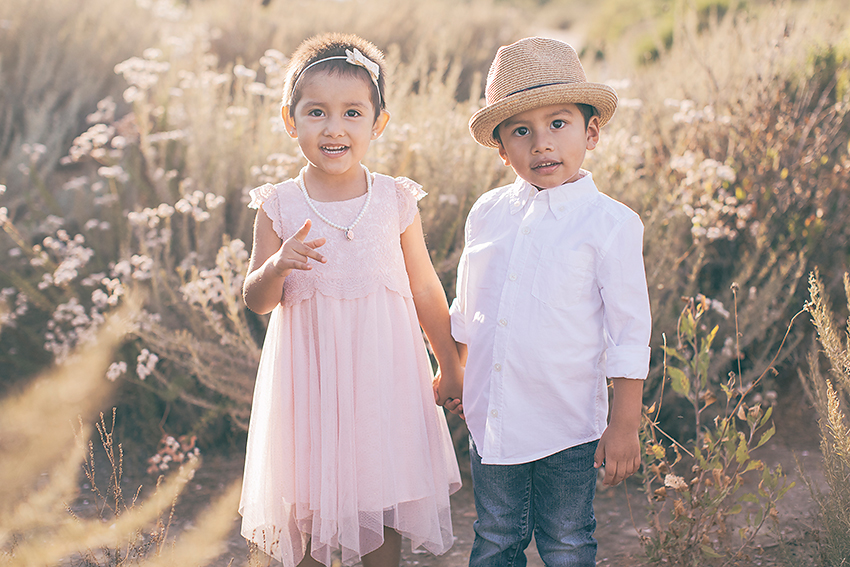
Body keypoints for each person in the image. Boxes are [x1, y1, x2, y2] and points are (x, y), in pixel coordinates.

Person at [239, 33, 463, 567]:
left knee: (379, 500)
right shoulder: (279, 205)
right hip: (308, 388)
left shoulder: (394, 200)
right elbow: (256, 300)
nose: (334, 127)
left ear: (377, 123)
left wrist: (450, 362)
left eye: (352, 113)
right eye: (316, 112)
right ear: (290, 120)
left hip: (382, 384)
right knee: (308, 508)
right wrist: (279, 263)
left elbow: (426, 287)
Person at [443, 37, 652, 566]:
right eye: (521, 131)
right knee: (494, 538)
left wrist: (625, 425)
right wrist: (454, 371)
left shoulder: (611, 225)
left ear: (592, 132)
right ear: (500, 147)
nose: (541, 144)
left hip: (568, 422)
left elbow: (630, 333)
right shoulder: (487, 213)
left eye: (558, 124)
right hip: (493, 419)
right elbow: (469, 308)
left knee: (567, 541)